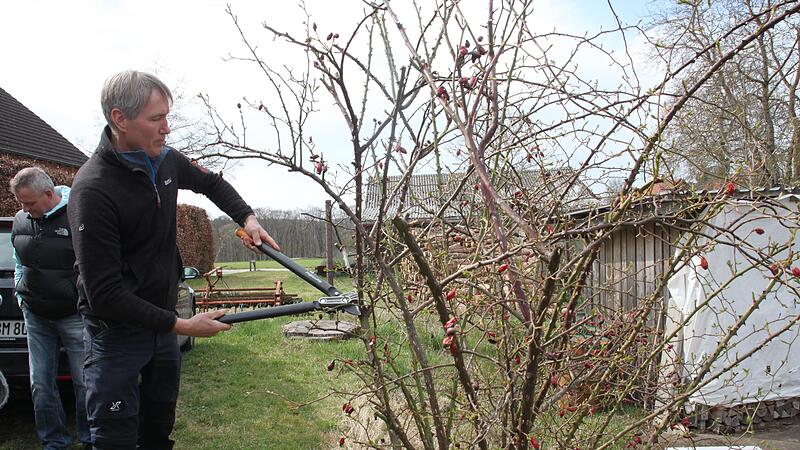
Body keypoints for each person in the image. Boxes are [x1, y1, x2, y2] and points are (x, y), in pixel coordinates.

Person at [68, 70, 279, 450]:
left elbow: (211, 183)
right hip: (115, 335)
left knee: (158, 431)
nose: (167, 128)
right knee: (115, 439)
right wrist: (182, 325)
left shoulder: (164, 160)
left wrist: (247, 219)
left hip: (162, 324)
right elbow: (104, 294)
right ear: (119, 119)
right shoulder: (93, 190)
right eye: (156, 119)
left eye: (167, 116)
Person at [9, 167, 91, 450]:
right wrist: (20, 292)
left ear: (48, 194)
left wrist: (83, 300)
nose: (24, 209)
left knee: (84, 382)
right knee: (41, 384)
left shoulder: (77, 215)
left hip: (73, 316)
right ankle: (53, 441)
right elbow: (19, 261)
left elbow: (91, 264)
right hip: (36, 316)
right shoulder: (21, 220)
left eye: (29, 203)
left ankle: (90, 439)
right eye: (21, 203)